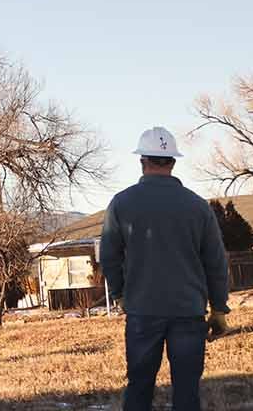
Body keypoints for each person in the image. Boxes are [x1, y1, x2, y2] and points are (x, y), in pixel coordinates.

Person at [98, 127, 230, 411]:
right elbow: (216, 262)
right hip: (189, 310)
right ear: (172, 161)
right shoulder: (197, 206)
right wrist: (219, 308)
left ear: (142, 161)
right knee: (186, 389)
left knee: (139, 385)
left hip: (142, 310)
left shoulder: (122, 203)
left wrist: (120, 293)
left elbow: (108, 255)